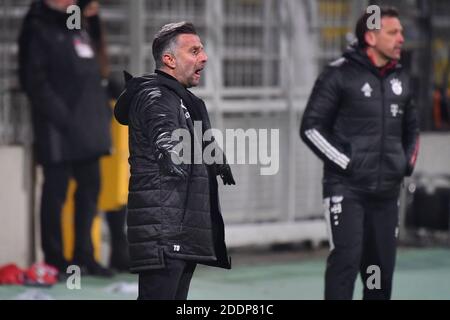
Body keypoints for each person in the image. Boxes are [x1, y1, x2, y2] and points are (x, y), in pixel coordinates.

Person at [300, 7, 419, 300]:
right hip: (347, 190)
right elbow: (311, 128)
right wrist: (347, 163)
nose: (401, 38)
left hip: (387, 195)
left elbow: (412, 127)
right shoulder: (338, 74)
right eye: (393, 32)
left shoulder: (401, 78)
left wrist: (404, 164)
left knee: (379, 273)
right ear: (370, 37)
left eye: (401, 32)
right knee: (346, 264)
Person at [114, 22, 235, 300]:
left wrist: (212, 155)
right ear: (169, 59)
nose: (203, 57)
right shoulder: (156, 94)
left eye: (202, 50)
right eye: (194, 51)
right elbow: (162, 128)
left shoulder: (181, 98)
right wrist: (169, 147)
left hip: (179, 229)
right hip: (164, 230)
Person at [18, 0, 114, 277]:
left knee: (90, 189)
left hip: (88, 125)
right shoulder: (37, 25)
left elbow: (99, 65)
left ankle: (85, 255)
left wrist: (94, 23)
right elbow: (33, 80)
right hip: (57, 126)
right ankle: (55, 259)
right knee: (56, 191)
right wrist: (63, 116)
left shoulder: (77, 25)